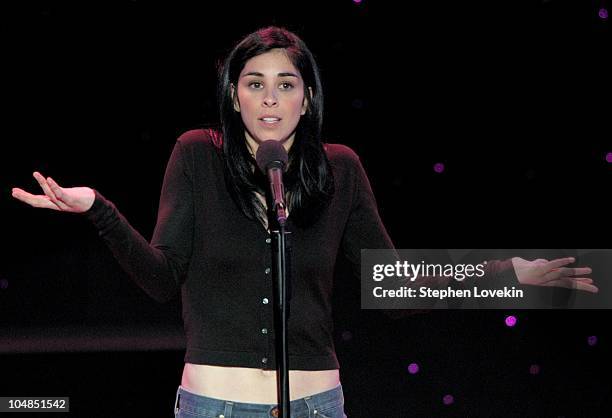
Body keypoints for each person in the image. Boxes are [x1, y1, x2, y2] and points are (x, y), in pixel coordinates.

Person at [10, 26, 597, 418]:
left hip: (318, 404)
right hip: (216, 406)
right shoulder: (196, 155)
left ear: (307, 98)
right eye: (254, 84)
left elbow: (392, 286)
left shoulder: (340, 169)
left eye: (285, 85)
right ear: (233, 96)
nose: (269, 99)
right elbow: (163, 278)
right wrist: (101, 213)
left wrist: (507, 276)